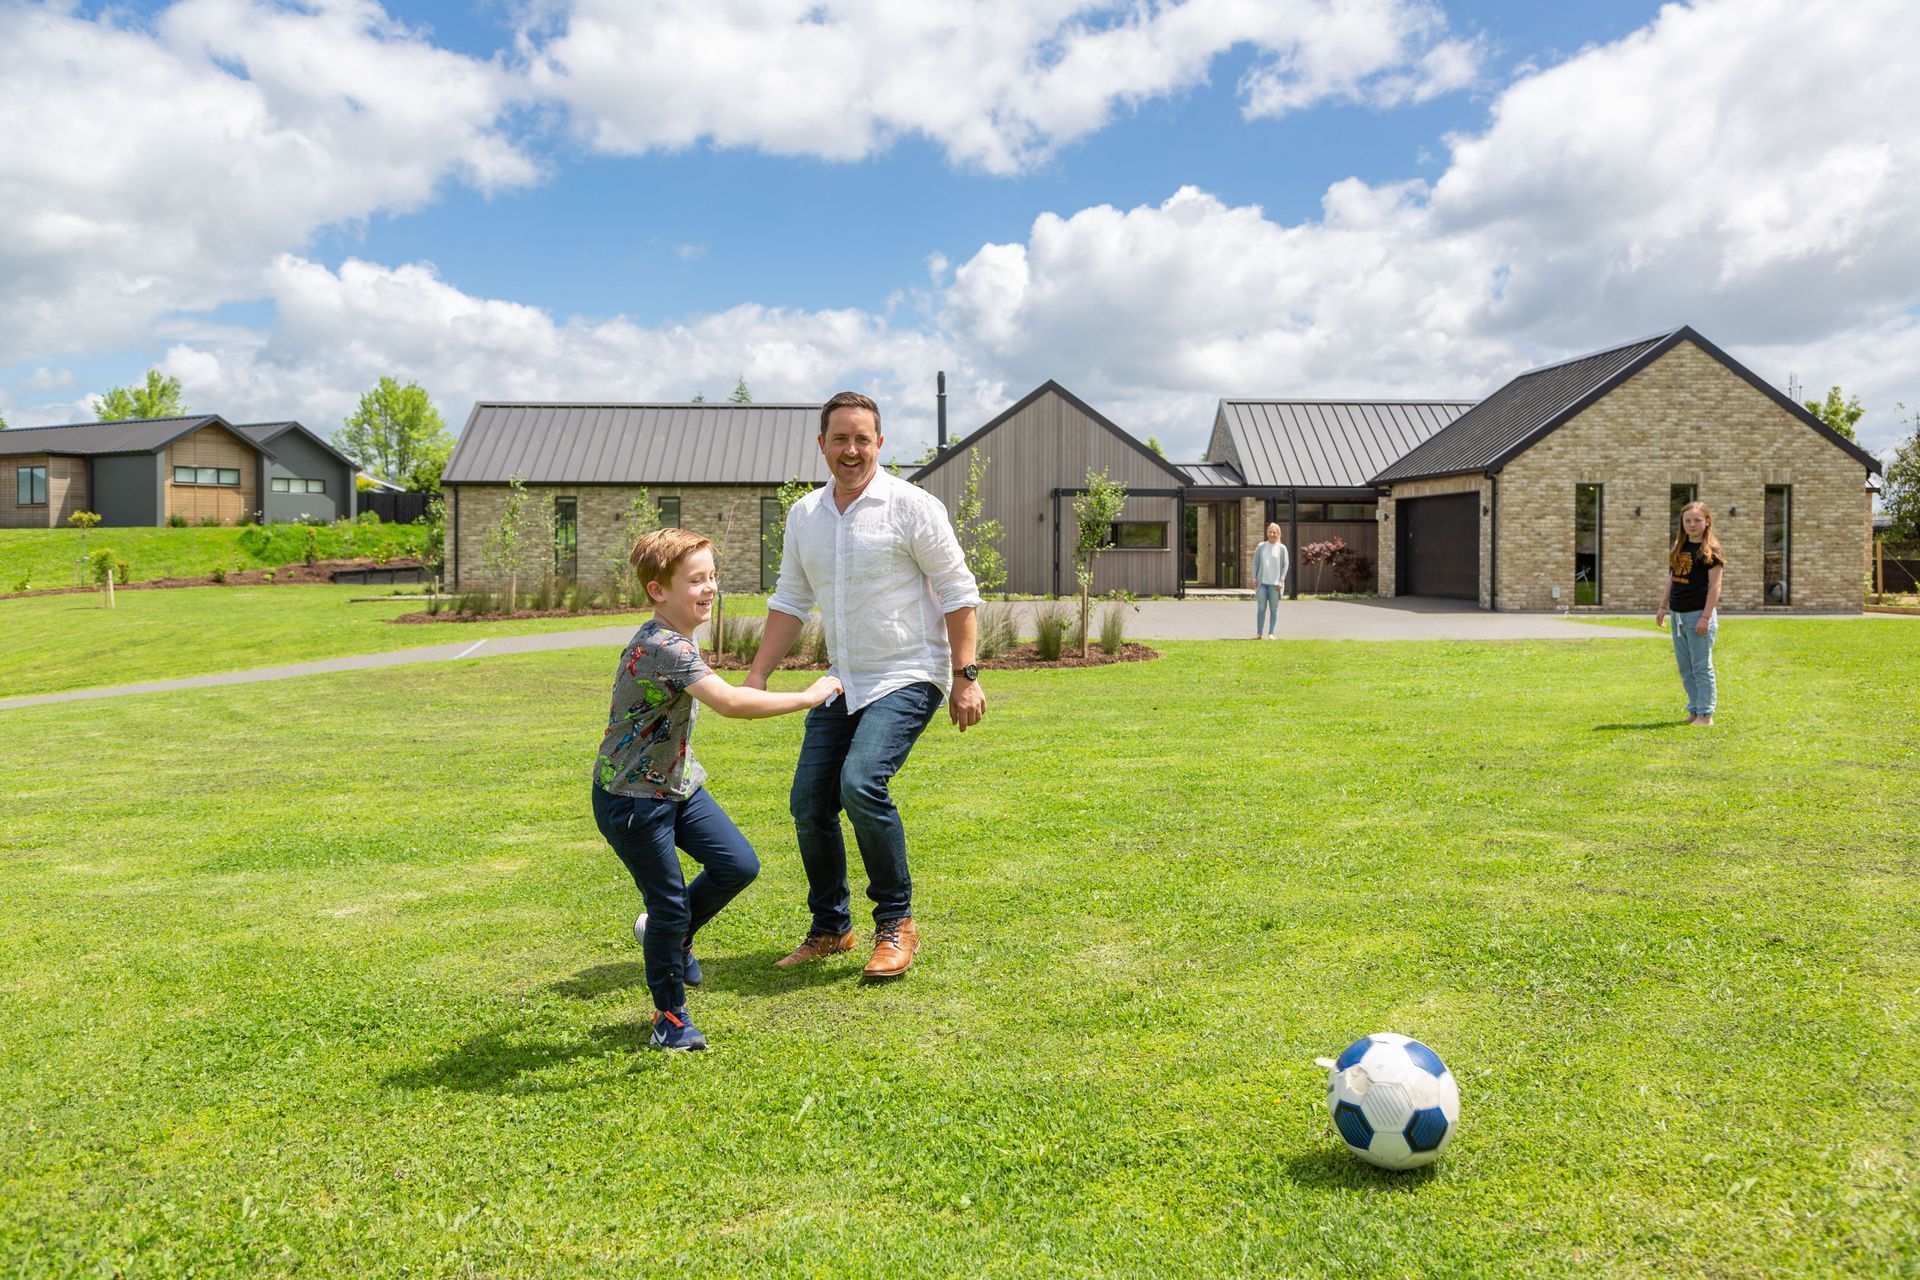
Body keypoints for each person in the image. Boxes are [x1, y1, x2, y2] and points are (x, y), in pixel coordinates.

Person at [747, 390, 984, 980]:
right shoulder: (804, 516)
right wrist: (757, 674)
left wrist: (965, 677)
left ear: (880, 443)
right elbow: (791, 600)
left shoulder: (912, 506)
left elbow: (958, 591)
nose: (851, 450)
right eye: (840, 439)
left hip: (909, 672)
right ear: (821, 444)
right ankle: (831, 927)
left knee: (861, 783)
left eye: (862, 439)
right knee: (809, 802)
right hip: (844, 678)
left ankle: (897, 923)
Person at [591, 528, 840, 1050]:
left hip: (677, 784)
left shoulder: (679, 636)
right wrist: (809, 695)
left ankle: (671, 935)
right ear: (658, 590)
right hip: (634, 800)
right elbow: (731, 704)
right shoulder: (662, 646)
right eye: (696, 581)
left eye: (712, 577)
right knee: (668, 905)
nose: (710, 588)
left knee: (737, 865)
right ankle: (670, 1018)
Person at [1654, 500, 1725, 727]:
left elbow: (1715, 587)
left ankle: (1705, 714)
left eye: (1697, 520)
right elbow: (1672, 579)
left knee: (1701, 666)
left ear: (1707, 522)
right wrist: (1663, 607)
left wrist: (1705, 617)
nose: (1692, 524)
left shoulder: (1711, 551)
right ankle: (1694, 710)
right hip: (1678, 615)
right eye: (1687, 521)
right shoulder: (1680, 547)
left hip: (1698, 615)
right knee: (1686, 667)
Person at [1252, 521, 1290, 638]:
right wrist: (1254, 577)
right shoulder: (1261, 546)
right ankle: (1259, 633)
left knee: (1274, 609)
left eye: (1274, 532)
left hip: (1275, 585)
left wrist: (1281, 580)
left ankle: (1271, 633)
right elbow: (1255, 563)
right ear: (1267, 533)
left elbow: (1285, 565)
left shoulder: (1282, 548)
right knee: (1261, 608)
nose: (1272, 534)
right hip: (1262, 583)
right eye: (1270, 532)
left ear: (1278, 534)